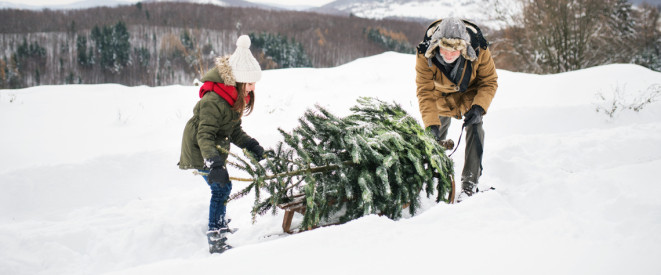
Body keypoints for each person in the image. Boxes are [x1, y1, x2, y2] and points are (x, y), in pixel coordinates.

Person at [178, 35, 265, 253]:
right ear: (239, 79)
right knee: (221, 188)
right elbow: (204, 135)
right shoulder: (214, 101)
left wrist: (251, 145)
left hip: (212, 152)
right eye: (251, 83)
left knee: (223, 188)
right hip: (200, 151)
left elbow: (233, 130)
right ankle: (215, 234)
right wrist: (214, 163)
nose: (253, 88)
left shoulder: (232, 98)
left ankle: (220, 225)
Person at [414, 17, 498, 201]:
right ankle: (429, 181)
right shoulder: (424, 54)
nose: (450, 55)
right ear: (436, 45)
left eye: (455, 50)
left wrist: (479, 107)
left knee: (475, 128)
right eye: (445, 49)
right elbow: (425, 91)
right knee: (433, 138)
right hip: (439, 98)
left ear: (464, 47)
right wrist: (431, 125)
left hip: (469, 96)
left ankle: (469, 185)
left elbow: (489, 82)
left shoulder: (479, 50)